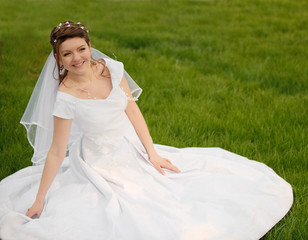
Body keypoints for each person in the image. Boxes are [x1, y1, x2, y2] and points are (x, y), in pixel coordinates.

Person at [0, 21, 293, 240]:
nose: (77, 58)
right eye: (67, 54)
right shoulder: (65, 97)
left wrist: (152, 153)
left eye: (81, 49)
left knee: (184, 186)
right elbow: (54, 151)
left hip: (129, 148)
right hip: (97, 161)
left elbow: (131, 110)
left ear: (90, 46)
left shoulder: (110, 69)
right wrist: (39, 199)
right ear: (58, 59)